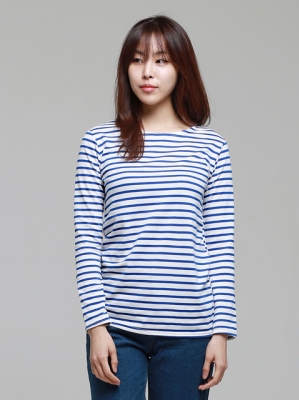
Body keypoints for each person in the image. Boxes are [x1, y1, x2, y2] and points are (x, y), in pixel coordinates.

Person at [74, 15, 236, 400]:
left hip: (191, 332)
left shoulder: (211, 148)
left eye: (161, 60)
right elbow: (87, 242)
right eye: (137, 59)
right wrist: (96, 327)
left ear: (182, 68)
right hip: (117, 329)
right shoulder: (98, 143)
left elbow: (220, 246)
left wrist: (221, 332)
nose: (148, 72)